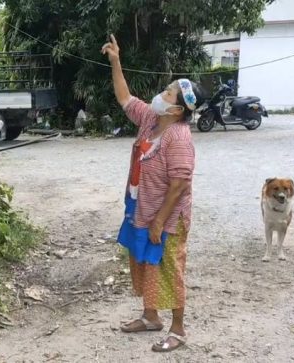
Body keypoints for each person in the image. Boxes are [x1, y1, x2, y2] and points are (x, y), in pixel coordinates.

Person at [101, 34, 204, 353]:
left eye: (169, 92)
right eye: (166, 88)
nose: (162, 93)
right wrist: (116, 61)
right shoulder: (151, 119)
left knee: (169, 266)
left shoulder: (178, 136)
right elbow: (124, 98)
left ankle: (178, 329)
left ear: (177, 110)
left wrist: (160, 221)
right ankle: (150, 317)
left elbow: (180, 184)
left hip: (167, 216)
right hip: (139, 206)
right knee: (143, 260)